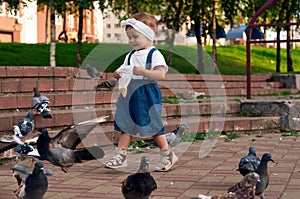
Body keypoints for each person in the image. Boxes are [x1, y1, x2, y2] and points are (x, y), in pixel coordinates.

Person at [104, 12, 178, 172]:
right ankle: (120, 155)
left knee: (153, 125)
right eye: (129, 37)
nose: (131, 41)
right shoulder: (130, 56)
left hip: (147, 94)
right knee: (126, 125)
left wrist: (144, 72)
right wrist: (118, 75)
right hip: (129, 94)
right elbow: (125, 70)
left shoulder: (154, 54)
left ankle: (167, 153)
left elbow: (161, 74)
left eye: (135, 37)